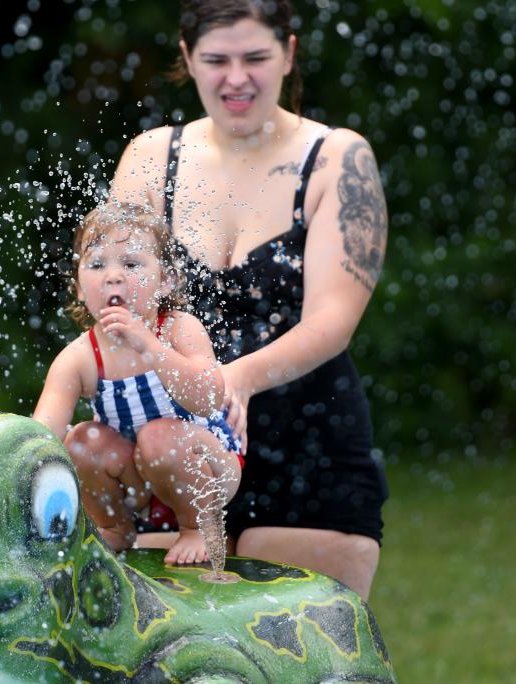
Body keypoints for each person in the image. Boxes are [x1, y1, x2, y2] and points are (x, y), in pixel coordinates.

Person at [105, 0, 389, 600]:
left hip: (309, 441)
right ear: (187, 59)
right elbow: (116, 301)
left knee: (307, 657)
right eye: (217, 60)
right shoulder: (151, 160)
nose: (237, 78)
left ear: (287, 53)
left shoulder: (338, 158)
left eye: (256, 57)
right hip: (173, 446)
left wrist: (230, 381)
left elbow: (333, 322)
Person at [33, 203, 245, 566]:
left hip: (209, 469)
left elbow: (209, 398)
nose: (113, 276)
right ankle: (114, 526)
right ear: (80, 287)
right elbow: (40, 434)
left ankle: (197, 527)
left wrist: (149, 346)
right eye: (97, 265)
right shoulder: (81, 357)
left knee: (158, 436)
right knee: (82, 440)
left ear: (166, 280)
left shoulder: (178, 328)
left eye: (131, 265)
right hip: (139, 482)